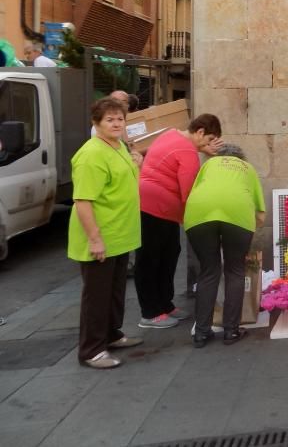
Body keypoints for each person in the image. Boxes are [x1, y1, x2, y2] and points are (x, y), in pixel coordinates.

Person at [67, 97, 143, 369]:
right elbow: (83, 200)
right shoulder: (91, 154)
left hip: (120, 235)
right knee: (97, 296)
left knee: (115, 292)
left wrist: (137, 161)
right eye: (109, 119)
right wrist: (95, 239)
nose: (116, 123)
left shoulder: (119, 145)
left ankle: (112, 334)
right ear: (96, 122)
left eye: (120, 119)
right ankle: (91, 350)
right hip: (102, 237)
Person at [135, 114, 223, 329]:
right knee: (151, 259)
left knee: (168, 254)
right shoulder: (187, 152)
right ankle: (150, 312)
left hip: (158, 208)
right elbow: (189, 194)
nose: (209, 144)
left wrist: (204, 150)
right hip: (155, 208)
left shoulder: (172, 134)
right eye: (209, 139)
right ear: (200, 131)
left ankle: (165, 304)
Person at [184, 143, 265, 348]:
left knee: (208, 271)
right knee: (235, 269)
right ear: (242, 158)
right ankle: (231, 330)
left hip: (198, 214)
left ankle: (201, 333)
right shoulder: (247, 168)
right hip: (237, 215)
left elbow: (194, 191)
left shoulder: (208, 165)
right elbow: (260, 214)